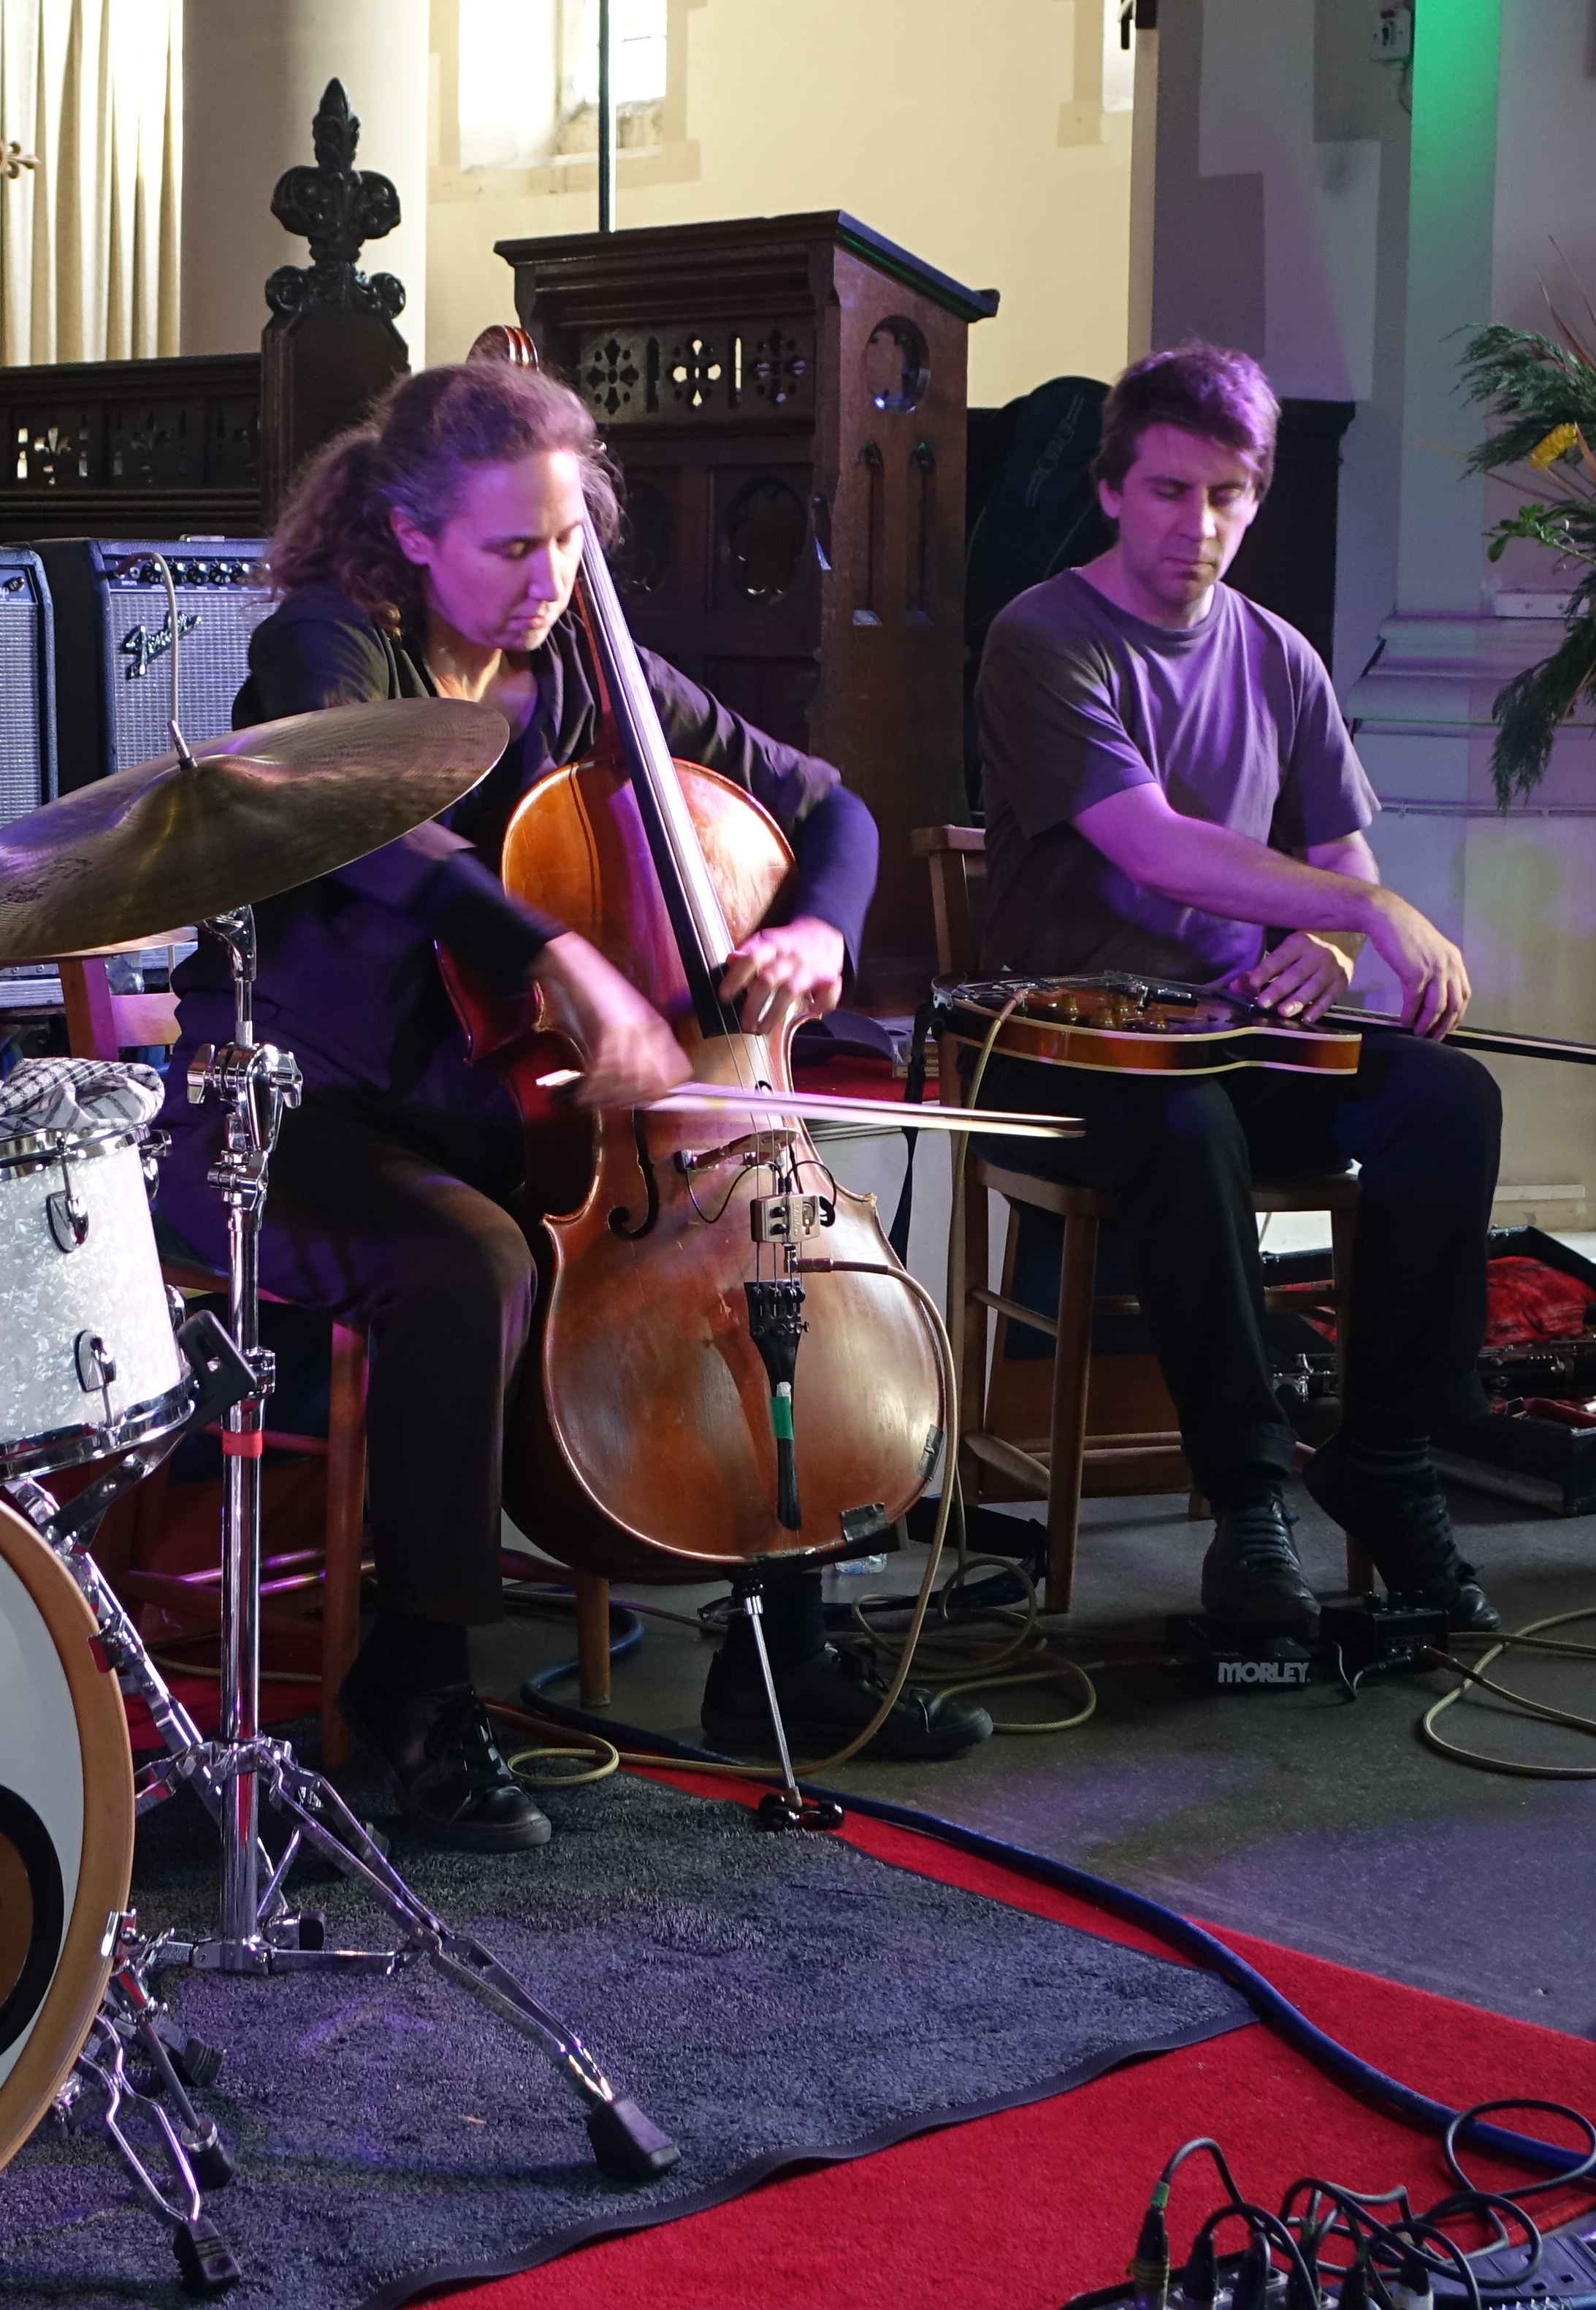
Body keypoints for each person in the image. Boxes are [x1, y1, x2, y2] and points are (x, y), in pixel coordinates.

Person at [151, 359, 993, 1855]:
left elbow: (834, 808)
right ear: (412, 536)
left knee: (755, 1253)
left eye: (567, 545)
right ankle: (415, 1689)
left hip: (515, 1123)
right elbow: (359, 821)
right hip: (306, 1113)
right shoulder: (329, 644)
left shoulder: (598, 678)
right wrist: (553, 956)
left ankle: (776, 1652)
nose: (549, 580)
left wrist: (822, 930)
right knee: (465, 1267)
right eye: (510, 549)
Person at [970, 343, 1503, 1643]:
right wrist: (1363, 918)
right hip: (1068, 1046)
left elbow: (1339, 854)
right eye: (1166, 491)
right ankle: (1252, 1493)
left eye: (1225, 496)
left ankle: (1383, 1452)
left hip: (1232, 1032)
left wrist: (1325, 952)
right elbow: (1148, 842)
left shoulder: (1280, 655)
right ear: (1111, 489)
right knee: (1183, 1125)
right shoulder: (1044, 635)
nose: (1195, 527)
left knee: (1450, 1099)